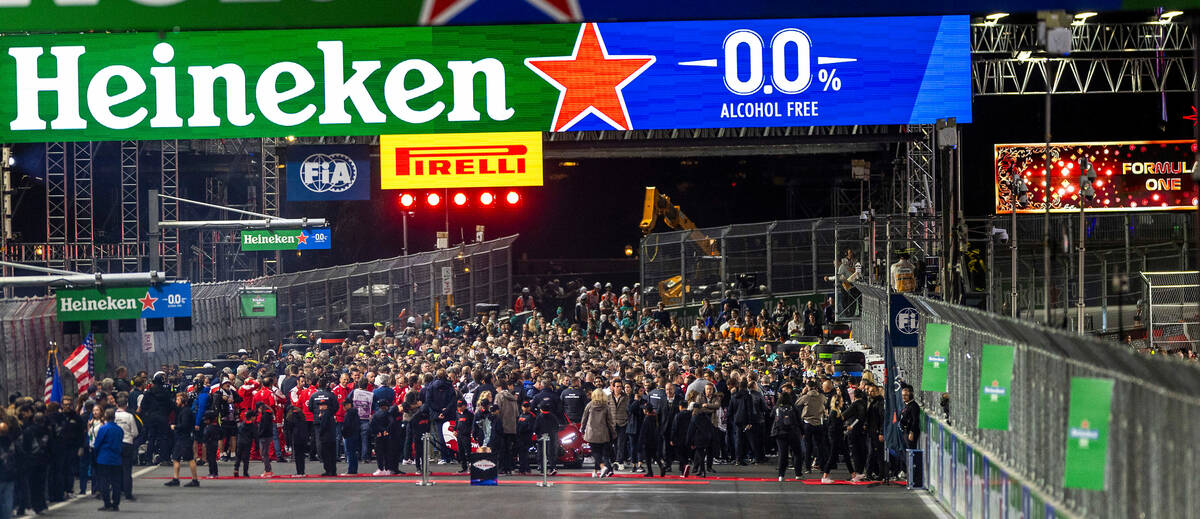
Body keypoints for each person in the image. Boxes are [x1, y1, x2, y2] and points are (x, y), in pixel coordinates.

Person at [165, 392, 200, 487]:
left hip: (185, 438)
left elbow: (185, 425)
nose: (176, 401)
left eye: (178, 399)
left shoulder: (186, 412)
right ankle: (176, 478)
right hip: (182, 438)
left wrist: (175, 427)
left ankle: (195, 479)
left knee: (189, 458)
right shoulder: (183, 411)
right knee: (176, 458)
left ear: (183, 401)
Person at [92, 408, 124, 512]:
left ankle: (107, 503)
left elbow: (97, 444)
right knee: (116, 483)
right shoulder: (119, 430)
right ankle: (116, 503)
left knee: (104, 482)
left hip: (104, 458)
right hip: (116, 458)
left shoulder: (103, 429)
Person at [580, 389, 615, 478]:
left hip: (591, 433)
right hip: (603, 433)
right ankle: (597, 470)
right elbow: (610, 422)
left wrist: (582, 429)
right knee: (602, 452)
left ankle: (602, 467)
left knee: (595, 452)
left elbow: (584, 419)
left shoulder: (589, 405)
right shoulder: (606, 407)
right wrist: (613, 432)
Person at [770, 391, 803, 481]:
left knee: (782, 454)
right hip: (793, 433)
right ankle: (798, 474)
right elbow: (799, 421)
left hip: (780, 433)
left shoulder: (776, 408)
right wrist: (802, 432)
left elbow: (772, 417)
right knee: (797, 453)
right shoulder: (793, 408)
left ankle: (781, 475)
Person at [113, 394, 139, 501]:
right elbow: (135, 432)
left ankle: (117, 492)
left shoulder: (113, 416)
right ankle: (128, 493)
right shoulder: (129, 416)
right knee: (127, 470)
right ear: (126, 405)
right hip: (127, 443)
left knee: (116, 469)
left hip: (115, 444)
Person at [284, 407, 310, 477]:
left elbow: (288, 430)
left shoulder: (290, 418)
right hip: (303, 437)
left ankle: (299, 471)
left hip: (296, 437)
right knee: (302, 455)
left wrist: (288, 442)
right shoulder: (302, 416)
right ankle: (302, 471)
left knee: (297, 456)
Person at [234, 409, 257, 478]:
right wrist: (256, 445)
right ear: (252, 417)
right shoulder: (252, 426)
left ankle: (236, 469)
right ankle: (245, 472)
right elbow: (255, 435)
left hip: (240, 442)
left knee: (238, 456)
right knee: (246, 458)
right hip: (247, 442)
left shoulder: (242, 424)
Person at [341, 399, 362, 475]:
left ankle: (351, 470)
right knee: (353, 453)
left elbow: (346, 426)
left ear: (348, 405)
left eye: (344, 405)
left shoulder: (349, 414)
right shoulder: (355, 413)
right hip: (354, 434)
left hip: (349, 435)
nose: (343, 407)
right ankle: (354, 469)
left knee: (350, 453)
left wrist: (343, 434)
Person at [201, 412, 221, 478]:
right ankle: (215, 472)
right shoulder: (216, 427)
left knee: (211, 459)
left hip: (210, 444)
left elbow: (205, 436)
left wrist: (205, 440)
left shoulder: (209, 428)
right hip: (214, 443)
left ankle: (212, 472)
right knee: (213, 459)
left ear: (209, 420)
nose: (204, 421)